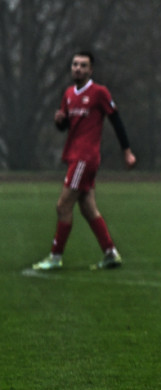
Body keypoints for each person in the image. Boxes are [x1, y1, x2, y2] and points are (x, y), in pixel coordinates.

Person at [32, 51, 137, 271]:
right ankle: (110, 253)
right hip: (74, 156)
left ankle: (55, 257)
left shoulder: (99, 92)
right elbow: (68, 126)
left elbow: (116, 120)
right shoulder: (69, 94)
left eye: (83, 65)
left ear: (91, 70)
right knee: (88, 208)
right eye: (75, 64)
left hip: (85, 157)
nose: (77, 68)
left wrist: (126, 151)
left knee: (63, 206)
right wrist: (59, 122)